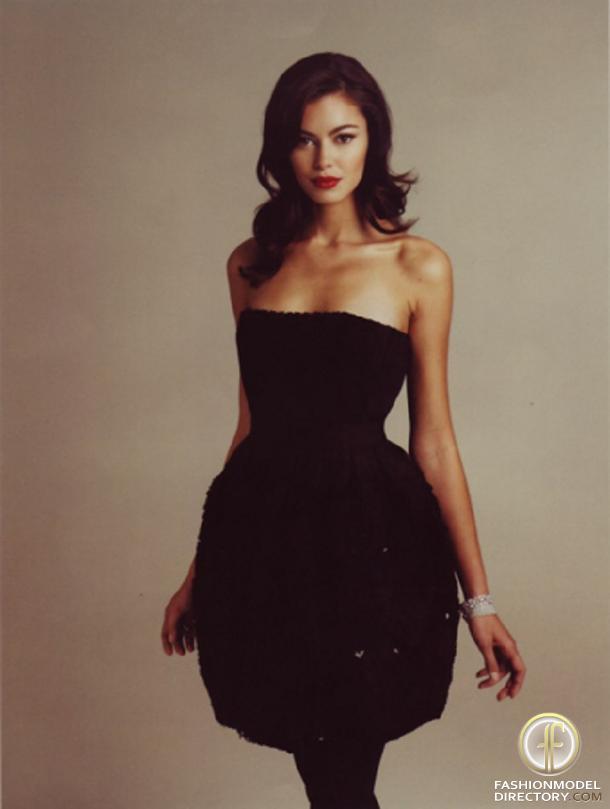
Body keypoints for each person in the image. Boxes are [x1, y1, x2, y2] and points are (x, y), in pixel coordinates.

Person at [161, 52, 526, 809]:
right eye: (304, 139)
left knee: (342, 775)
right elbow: (249, 427)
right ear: (280, 148)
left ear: (373, 142)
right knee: (326, 775)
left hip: (371, 541)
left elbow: (435, 440)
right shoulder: (250, 265)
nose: (324, 160)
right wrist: (199, 572)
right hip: (264, 546)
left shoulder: (418, 266)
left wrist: (479, 600)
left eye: (343, 137)